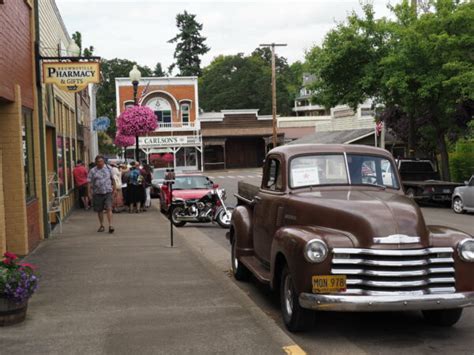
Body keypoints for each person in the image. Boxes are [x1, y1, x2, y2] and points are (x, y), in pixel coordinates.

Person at [88, 155, 115, 233]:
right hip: (97, 193)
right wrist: (89, 192)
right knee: (99, 210)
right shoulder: (92, 171)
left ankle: (110, 225)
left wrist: (115, 189)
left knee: (109, 208)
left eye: (101, 161)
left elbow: (113, 179)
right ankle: (102, 225)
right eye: (98, 161)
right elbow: (89, 182)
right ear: (96, 162)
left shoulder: (109, 168)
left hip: (108, 191)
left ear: (104, 162)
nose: (100, 163)